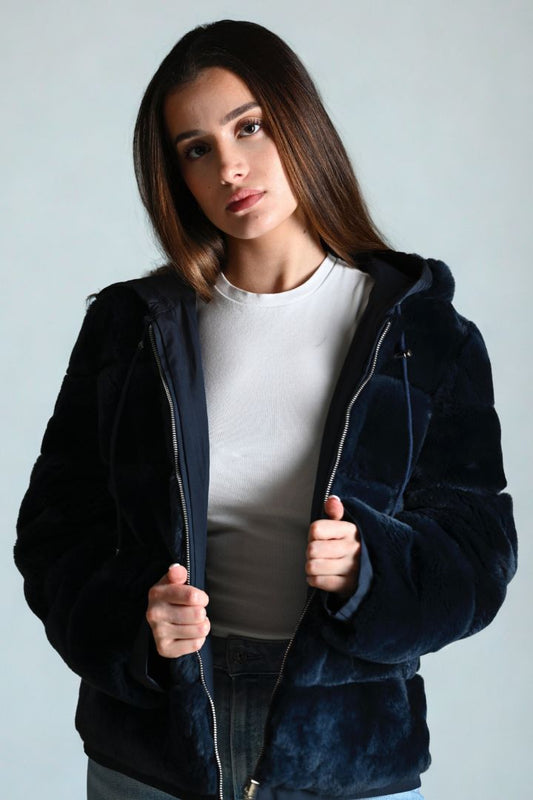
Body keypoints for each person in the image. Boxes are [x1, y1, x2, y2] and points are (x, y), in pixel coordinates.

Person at [14, 18, 517, 800]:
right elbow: (54, 534)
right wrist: (138, 622)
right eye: (196, 148)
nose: (230, 166)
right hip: (152, 750)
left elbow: (479, 552)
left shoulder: (423, 334)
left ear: (298, 120)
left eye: (249, 125)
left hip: (348, 754)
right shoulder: (131, 329)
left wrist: (368, 569)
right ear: (174, 175)